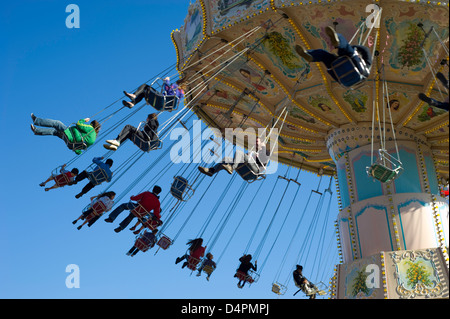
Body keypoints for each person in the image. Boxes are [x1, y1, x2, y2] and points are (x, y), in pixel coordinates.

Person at [295, 26, 372, 85]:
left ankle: (337, 41)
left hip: (352, 65)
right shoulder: (348, 81)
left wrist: (353, 48)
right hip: (338, 70)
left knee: (345, 47)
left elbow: (365, 50)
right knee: (323, 56)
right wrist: (330, 69)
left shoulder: (367, 67)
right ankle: (310, 56)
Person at [198, 137, 270, 177]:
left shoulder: (266, 152)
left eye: (257, 142)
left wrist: (256, 156)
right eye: (255, 142)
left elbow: (264, 161)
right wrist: (249, 155)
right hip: (250, 165)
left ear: (262, 143)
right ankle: (211, 171)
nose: (255, 143)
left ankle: (232, 168)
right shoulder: (255, 151)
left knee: (239, 152)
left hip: (256, 169)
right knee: (226, 159)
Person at [30, 114, 100, 155]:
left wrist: (84, 120)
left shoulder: (91, 129)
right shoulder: (93, 138)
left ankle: (36, 120)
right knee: (56, 132)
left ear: (92, 124)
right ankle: (37, 131)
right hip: (70, 144)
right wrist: (75, 149)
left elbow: (79, 124)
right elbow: (80, 151)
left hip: (70, 135)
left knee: (57, 123)